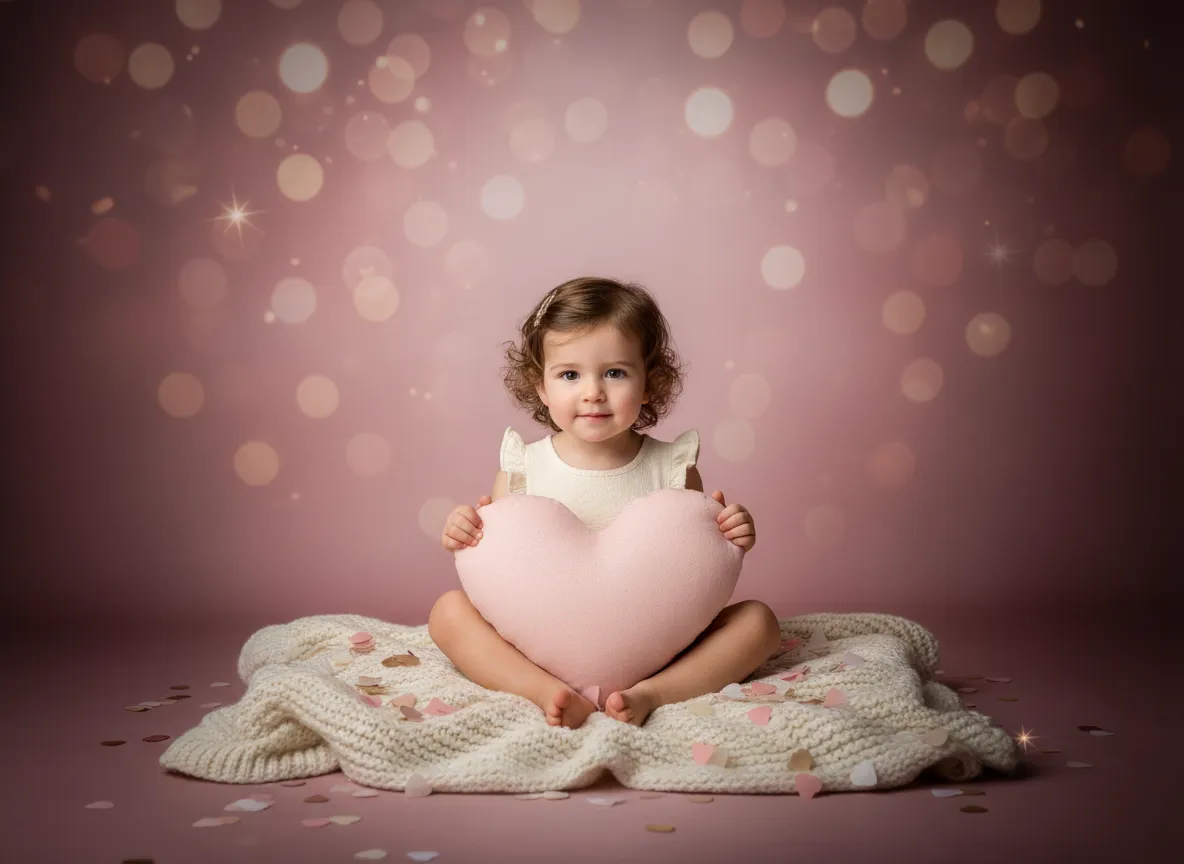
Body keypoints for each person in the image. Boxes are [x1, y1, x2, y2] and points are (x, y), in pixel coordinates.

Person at [430, 276, 779, 729]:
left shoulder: (672, 466)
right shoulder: (522, 468)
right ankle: (543, 690)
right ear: (541, 387)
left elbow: (690, 563)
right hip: (545, 645)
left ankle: (652, 693)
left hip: (652, 645)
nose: (593, 391)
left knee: (760, 622)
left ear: (649, 382)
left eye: (614, 372)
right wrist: (464, 528)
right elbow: (500, 563)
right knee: (448, 612)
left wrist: (732, 531)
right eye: (570, 375)